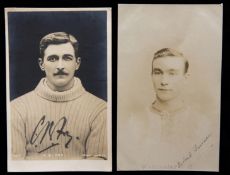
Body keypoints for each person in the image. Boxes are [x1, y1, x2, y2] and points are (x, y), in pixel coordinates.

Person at [11, 32, 107, 160]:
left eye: (67, 58)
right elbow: (15, 166)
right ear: (41, 64)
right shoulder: (16, 109)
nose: (60, 66)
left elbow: (98, 166)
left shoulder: (100, 110)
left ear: (77, 63)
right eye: (52, 58)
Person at [118, 48, 213, 170]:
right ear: (151, 75)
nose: (164, 81)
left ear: (185, 78)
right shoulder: (133, 123)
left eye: (172, 73)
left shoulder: (201, 124)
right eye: (158, 72)